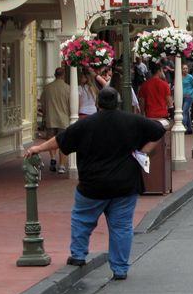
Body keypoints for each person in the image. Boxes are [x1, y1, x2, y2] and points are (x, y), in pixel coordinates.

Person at [24, 87, 165, 281]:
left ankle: (78, 255)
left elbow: (60, 140)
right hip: (125, 184)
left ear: (97, 103)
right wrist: (142, 153)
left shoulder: (86, 124)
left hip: (93, 184)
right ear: (117, 102)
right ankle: (120, 268)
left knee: (82, 219)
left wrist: (38, 148)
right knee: (122, 227)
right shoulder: (132, 121)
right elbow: (159, 130)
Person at [40, 68, 71, 174]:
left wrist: (45, 114)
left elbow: (42, 104)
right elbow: (71, 105)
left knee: (51, 140)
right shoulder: (68, 88)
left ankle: (53, 158)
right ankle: (62, 166)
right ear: (63, 75)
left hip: (50, 118)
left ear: (55, 75)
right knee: (63, 143)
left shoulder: (47, 88)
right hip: (64, 119)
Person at [181, 64, 193, 134]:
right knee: (186, 112)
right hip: (181, 97)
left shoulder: (190, 77)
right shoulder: (179, 77)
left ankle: (183, 127)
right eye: (183, 68)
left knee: (184, 111)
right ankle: (189, 129)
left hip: (189, 97)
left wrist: (190, 93)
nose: (185, 70)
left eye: (186, 68)